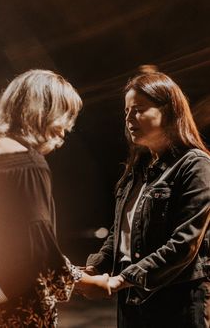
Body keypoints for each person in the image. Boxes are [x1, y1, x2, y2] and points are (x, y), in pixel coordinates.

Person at [0, 69, 111, 328]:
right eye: (64, 120)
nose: (64, 132)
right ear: (43, 113)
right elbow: (39, 248)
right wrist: (84, 282)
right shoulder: (29, 163)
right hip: (20, 308)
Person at [86, 68, 210, 328]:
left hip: (178, 302)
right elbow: (119, 234)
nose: (130, 118)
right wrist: (93, 269)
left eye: (139, 109)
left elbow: (184, 244)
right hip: (134, 300)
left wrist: (122, 279)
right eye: (126, 111)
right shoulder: (138, 169)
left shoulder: (195, 165)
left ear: (169, 111)